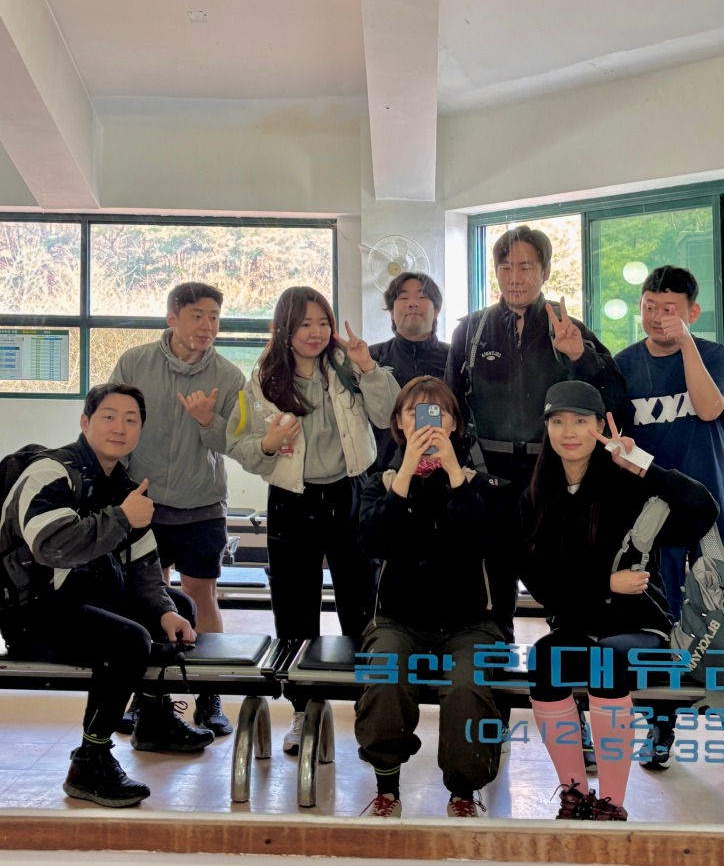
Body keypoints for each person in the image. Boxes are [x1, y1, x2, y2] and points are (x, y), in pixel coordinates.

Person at [0, 383, 214, 809]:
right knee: (128, 640)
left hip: (79, 600)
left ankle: (153, 720)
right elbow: (52, 547)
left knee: (179, 608)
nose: (120, 428)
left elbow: (145, 569)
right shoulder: (49, 473)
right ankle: (91, 759)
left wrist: (164, 610)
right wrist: (121, 517)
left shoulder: (124, 486)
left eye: (131, 420)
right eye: (109, 417)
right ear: (85, 422)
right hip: (32, 612)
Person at [518, 382, 717, 821]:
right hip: (576, 625)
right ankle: (574, 793)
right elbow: (542, 584)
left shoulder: (629, 486)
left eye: (581, 421)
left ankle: (611, 803)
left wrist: (643, 465)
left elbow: (704, 511)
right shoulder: (534, 497)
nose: (569, 431)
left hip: (639, 627)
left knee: (606, 658)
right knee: (545, 656)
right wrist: (605, 583)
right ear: (546, 428)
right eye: (557, 421)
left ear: (600, 426)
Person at [226, 286, 399, 752]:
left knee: (360, 602)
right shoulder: (262, 380)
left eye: (323, 323)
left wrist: (368, 367)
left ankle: (368, 705)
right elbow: (241, 444)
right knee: (294, 605)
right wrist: (268, 444)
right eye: (305, 324)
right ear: (285, 328)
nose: (316, 332)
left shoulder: (346, 367)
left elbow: (388, 416)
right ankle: (302, 708)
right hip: (291, 499)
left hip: (350, 492)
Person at [446, 226, 625, 639]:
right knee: (495, 570)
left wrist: (578, 354)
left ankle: (569, 645)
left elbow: (615, 399)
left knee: (561, 563)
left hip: (554, 471)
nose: (515, 278)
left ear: (545, 272)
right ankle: (496, 647)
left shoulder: (569, 329)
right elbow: (452, 405)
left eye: (526, 267)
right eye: (506, 267)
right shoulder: (470, 331)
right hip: (488, 471)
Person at [356, 377, 510, 819]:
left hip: (469, 624)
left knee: (467, 688)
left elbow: (486, 541)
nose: (427, 422)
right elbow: (372, 542)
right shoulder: (382, 483)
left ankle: (463, 792)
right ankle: (387, 786)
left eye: (438, 412)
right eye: (415, 412)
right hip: (397, 620)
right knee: (384, 677)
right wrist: (405, 473)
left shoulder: (480, 484)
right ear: (399, 423)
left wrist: (455, 475)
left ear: (455, 423)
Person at [614, 264, 724, 768]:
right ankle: (660, 726)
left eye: (670, 309)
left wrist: (687, 345)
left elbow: (709, 410)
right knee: (660, 624)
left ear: (692, 312)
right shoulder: (625, 365)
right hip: (654, 519)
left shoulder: (716, 356)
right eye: (649, 306)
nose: (657, 317)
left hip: (713, 509)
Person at [110, 281, 246, 737]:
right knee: (152, 596)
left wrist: (208, 421)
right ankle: (150, 697)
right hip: (143, 504)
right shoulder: (135, 363)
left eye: (214, 317)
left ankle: (210, 693)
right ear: (172, 319)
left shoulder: (228, 376)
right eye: (197, 316)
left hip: (201, 504)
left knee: (202, 594)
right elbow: (116, 424)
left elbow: (234, 443)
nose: (207, 326)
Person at [368, 272, 450, 473]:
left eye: (422, 297)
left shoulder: (455, 358)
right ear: (391, 312)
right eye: (404, 298)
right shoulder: (371, 358)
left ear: (436, 310)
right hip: (385, 472)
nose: (413, 303)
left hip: (444, 471)